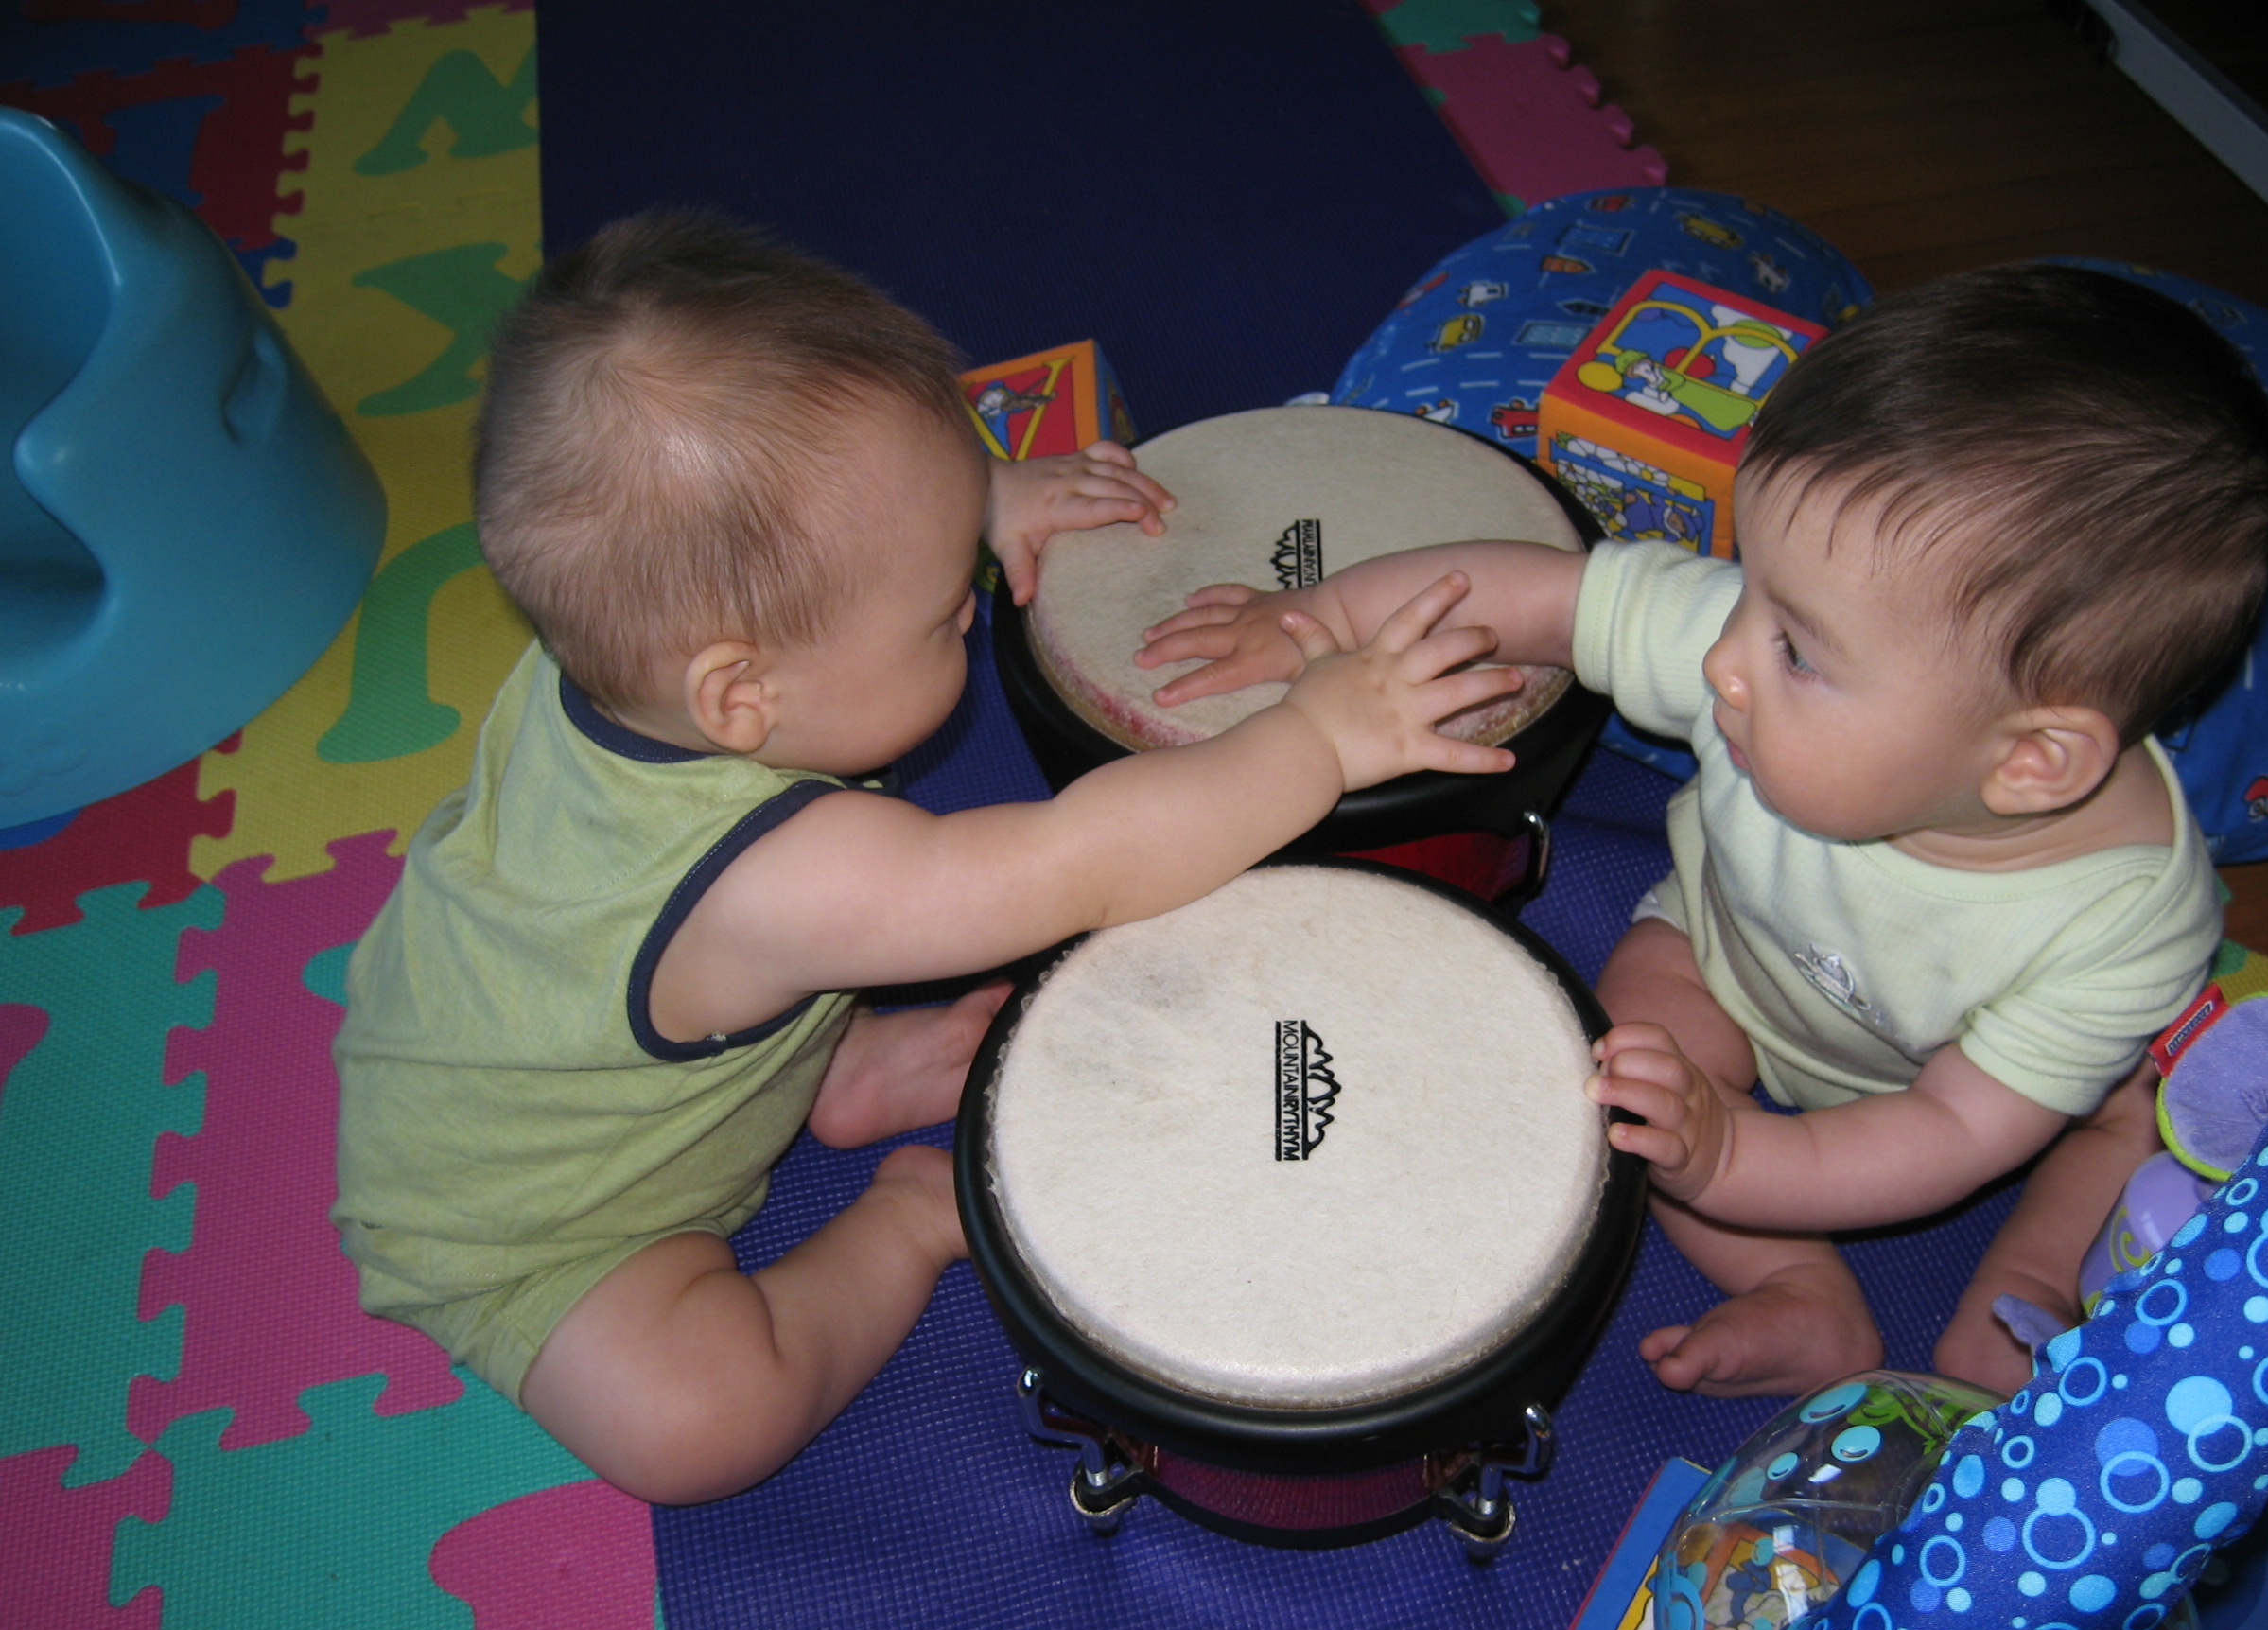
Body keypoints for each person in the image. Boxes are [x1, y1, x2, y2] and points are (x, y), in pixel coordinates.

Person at [331, 211, 1525, 1503]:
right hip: (538, 1225)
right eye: (934, 606)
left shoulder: (628, 652)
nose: (970, 601)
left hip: (528, 1026)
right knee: (700, 1428)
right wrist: (1318, 738)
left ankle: (822, 1068)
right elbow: (1085, 862)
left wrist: (977, 499)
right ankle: (903, 1219)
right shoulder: (790, 880)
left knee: (759, 982)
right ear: (744, 699)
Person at [1136, 263, 2268, 1399]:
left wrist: (1740, 1156)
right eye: (1750, 591)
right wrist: (1322, 619)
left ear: (2029, 762)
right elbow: (1546, 595)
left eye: (1796, 649)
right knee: (1628, 1071)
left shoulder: (2121, 932)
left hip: (1964, 1081)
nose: (1725, 661)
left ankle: (2032, 1283)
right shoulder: (1762, 648)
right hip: (1722, 944)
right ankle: (1805, 1292)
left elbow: (1947, 1131)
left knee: (2125, 1116)